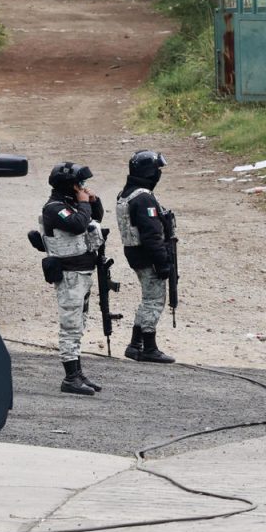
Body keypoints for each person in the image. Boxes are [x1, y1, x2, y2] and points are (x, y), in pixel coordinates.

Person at [41, 161, 104, 396]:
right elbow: (78, 224)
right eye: (79, 183)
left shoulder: (70, 203)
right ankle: (70, 378)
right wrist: (83, 203)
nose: (82, 187)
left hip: (82, 273)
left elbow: (95, 217)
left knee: (79, 324)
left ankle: (77, 373)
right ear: (68, 185)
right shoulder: (54, 208)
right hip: (69, 275)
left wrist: (92, 200)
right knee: (70, 326)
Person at [116, 150, 176, 363]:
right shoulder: (143, 198)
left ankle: (135, 345)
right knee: (154, 301)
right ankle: (148, 348)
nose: (158, 173)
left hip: (136, 254)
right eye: (156, 169)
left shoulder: (126, 194)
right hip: (147, 256)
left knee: (147, 299)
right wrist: (162, 263)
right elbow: (151, 235)